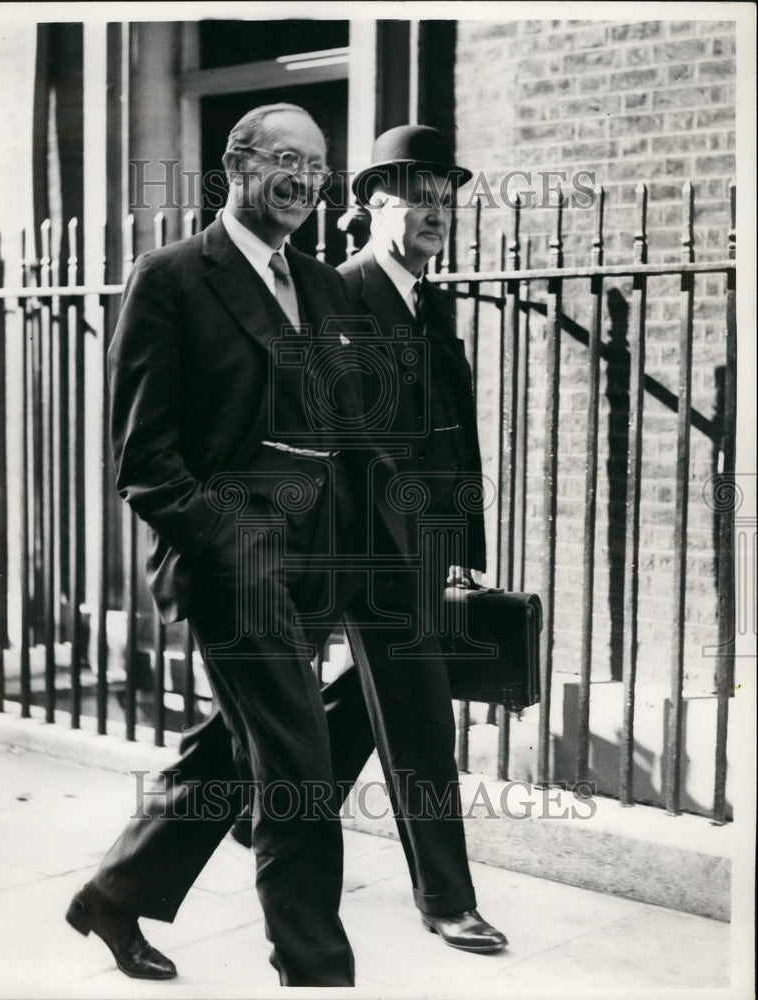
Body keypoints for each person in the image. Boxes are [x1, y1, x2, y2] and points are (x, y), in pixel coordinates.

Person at [66, 103, 362, 988]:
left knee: (246, 746)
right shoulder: (171, 278)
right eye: (284, 160)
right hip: (231, 564)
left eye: (315, 166)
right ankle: (316, 971)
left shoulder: (322, 285)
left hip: (315, 559)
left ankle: (116, 894)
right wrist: (233, 543)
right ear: (235, 165)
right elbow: (144, 461)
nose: (305, 180)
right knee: (299, 770)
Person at [231, 124, 510, 956]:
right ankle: (445, 899)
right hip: (356, 544)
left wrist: (453, 536)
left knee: (363, 704)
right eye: (414, 196)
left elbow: (444, 432)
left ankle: (255, 813)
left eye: (445, 199)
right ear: (365, 207)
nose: (435, 212)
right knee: (422, 717)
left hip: (409, 542)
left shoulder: (427, 296)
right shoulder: (339, 292)